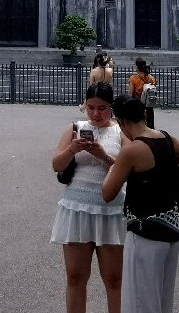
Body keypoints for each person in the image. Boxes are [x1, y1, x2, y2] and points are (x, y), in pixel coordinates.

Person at [102, 97, 179, 313]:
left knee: (141, 303)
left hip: (144, 233)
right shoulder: (165, 138)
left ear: (122, 122)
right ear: (144, 116)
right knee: (163, 301)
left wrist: (114, 164)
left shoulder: (132, 150)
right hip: (170, 231)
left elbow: (107, 192)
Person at [51, 82, 126, 313]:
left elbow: (129, 170)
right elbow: (56, 165)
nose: (95, 113)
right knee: (75, 277)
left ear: (111, 107)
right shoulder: (75, 128)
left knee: (114, 279)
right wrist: (72, 149)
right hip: (76, 208)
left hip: (110, 210)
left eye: (102, 108)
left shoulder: (121, 132)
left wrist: (104, 156)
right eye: (90, 107)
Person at [128, 59, 157, 128]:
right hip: (148, 104)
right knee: (150, 125)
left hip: (138, 103)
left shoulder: (133, 78)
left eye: (135, 65)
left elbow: (130, 93)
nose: (134, 66)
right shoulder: (151, 78)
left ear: (137, 67)